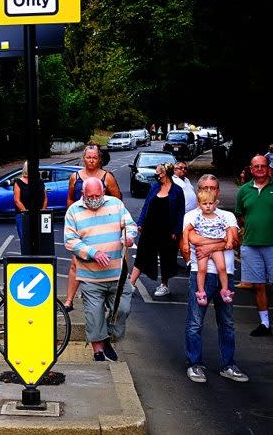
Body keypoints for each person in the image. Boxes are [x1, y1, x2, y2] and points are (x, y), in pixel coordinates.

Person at [181, 175, 249, 383]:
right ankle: (195, 364)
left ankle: (228, 364)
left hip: (224, 273)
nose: (209, 191)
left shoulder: (227, 216)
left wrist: (209, 246)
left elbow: (234, 241)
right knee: (195, 322)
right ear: (198, 191)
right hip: (200, 272)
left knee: (227, 322)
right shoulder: (191, 216)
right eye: (204, 188)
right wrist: (220, 241)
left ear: (218, 191)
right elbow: (191, 239)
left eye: (213, 187)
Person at [64, 177, 137, 361]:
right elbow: (70, 241)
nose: (95, 199)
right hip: (90, 277)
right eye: (91, 196)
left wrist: (128, 237)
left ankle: (104, 339)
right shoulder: (74, 211)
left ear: (104, 191)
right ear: (83, 194)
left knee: (122, 310)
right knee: (94, 316)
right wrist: (92, 253)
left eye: (98, 195)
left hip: (117, 275)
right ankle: (98, 352)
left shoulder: (116, 204)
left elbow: (130, 225)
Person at [235, 155, 273, 340]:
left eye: (263, 165)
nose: (260, 169)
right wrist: (253, 229)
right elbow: (240, 215)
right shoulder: (244, 190)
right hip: (251, 245)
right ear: (251, 169)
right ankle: (264, 324)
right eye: (256, 166)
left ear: (269, 167)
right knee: (258, 286)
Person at [63, 145, 122, 312]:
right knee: (76, 263)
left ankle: (98, 298)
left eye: (94, 158)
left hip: (103, 226)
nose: (91, 160)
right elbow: (69, 200)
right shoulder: (75, 177)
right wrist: (70, 220)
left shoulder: (107, 177)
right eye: (88, 157)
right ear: (84, 158)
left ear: (99, 159)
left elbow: (118, 200)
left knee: (100, 263)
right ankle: (69, 300)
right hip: (81, 225)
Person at [131, 163, 185, 296]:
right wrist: (140, 222)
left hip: (168, 229)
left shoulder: (177, 191)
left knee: (167, 257)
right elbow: (146, 205)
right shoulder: (154, 187)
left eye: (157, 172)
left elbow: (180, 213)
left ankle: (164, 285)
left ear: (164, 173)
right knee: (142, 254)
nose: (156, 175)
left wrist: (176, 231)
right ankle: (131, 284)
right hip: (150, 227)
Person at [184, 189, 236, 305]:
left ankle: (225, 290)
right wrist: (185, 244)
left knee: (222, 267)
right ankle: (201, 292)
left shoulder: (220, 217)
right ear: (199, 205)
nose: (208, 206)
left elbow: (229, 231)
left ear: (215, 204)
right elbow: (187, 230)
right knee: (202, 269)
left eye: (210, 203)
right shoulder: (197, 217)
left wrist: (229, 242)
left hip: (215, 250)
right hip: (202, 250)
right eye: (204, 204)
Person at [13, 160, 48, 252]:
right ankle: (26, 258)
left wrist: (42, 212)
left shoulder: (39, 182)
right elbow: (17, 201)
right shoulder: (18, 182)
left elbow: (45, 199)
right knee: (25, 240)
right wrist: (26, 213)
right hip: (23, 216)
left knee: (39, 239)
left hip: (38, 214)